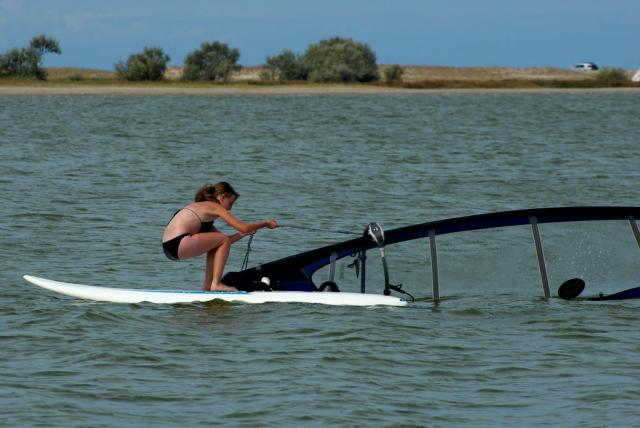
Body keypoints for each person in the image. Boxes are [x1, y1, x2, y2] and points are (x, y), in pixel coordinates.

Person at [162, 182, 278, 291]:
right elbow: (241, 228)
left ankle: (207, 287)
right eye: (230, 203)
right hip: (178, 243)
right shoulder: (213, 206)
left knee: (218, 242)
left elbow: (223, 242)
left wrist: (243, 234)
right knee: (222, 239)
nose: (230, 208)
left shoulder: (204, 213)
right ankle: (216, 284)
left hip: (170, 248)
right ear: (222, 197)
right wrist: (265, 223)